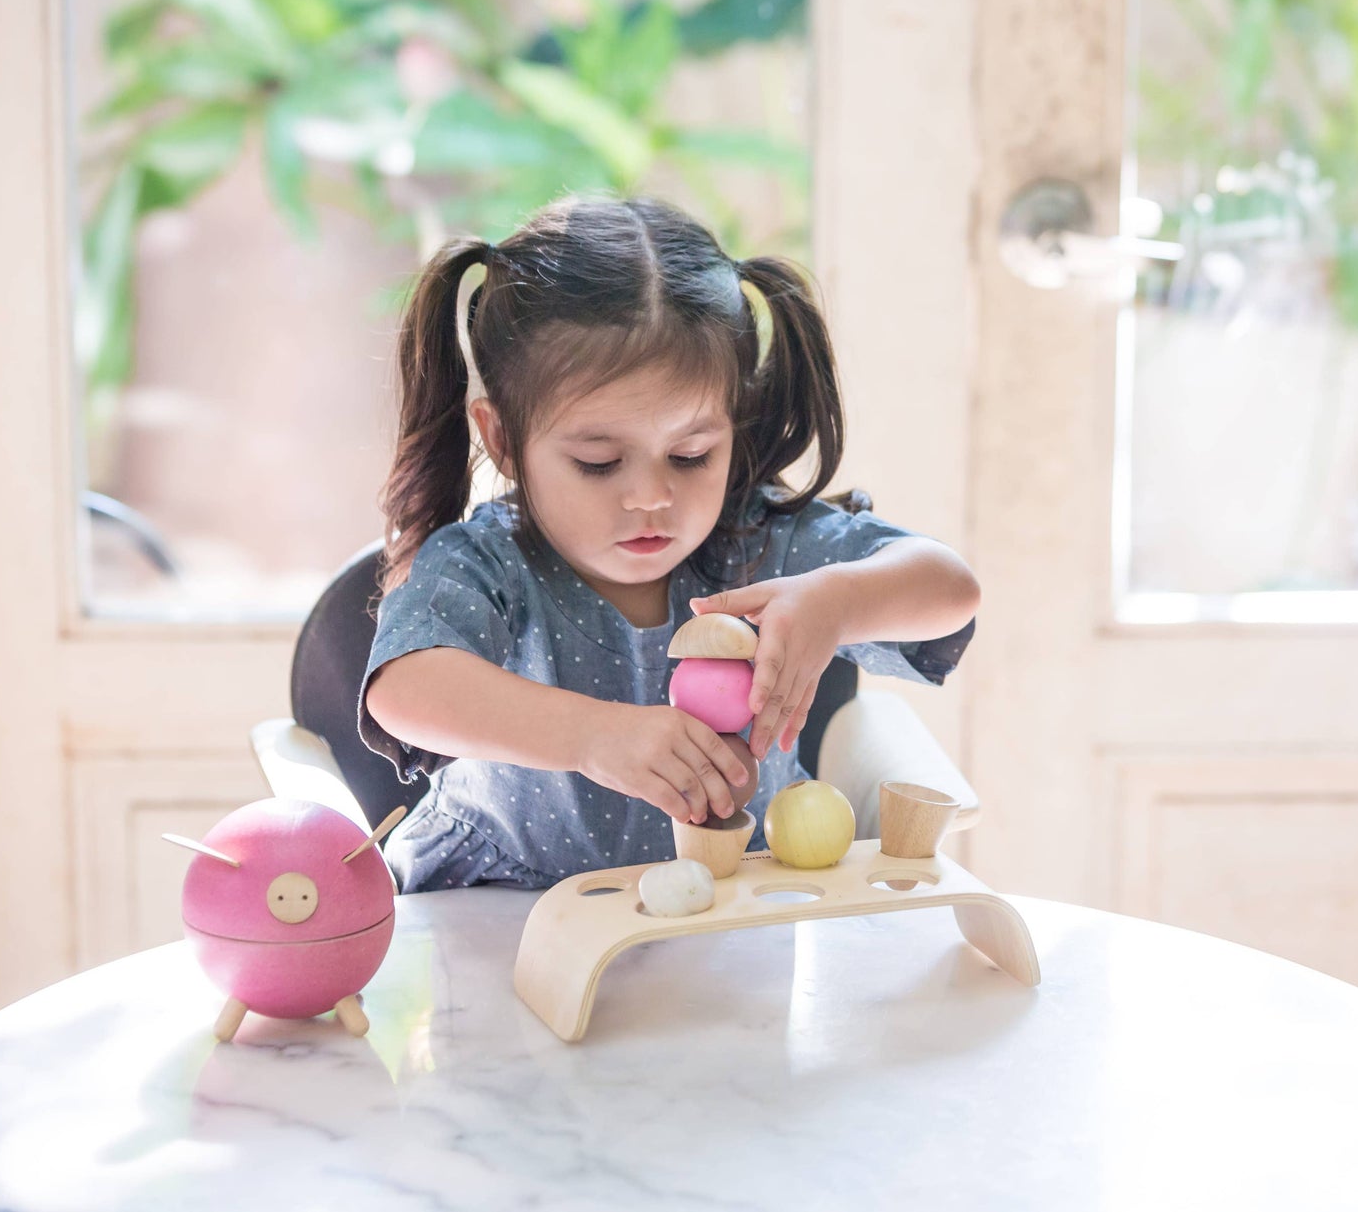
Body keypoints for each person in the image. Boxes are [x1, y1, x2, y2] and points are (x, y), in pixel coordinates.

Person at [359, 195, 981, 892]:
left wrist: (838, 602)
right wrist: (595, 735)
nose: (652, 496)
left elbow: (950, 588)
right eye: (598, 462)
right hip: (508, 905)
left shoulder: (758, 541)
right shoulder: (490, 563)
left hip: (734, 904)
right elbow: (405, 688)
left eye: (691, 455)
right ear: (502, 437)